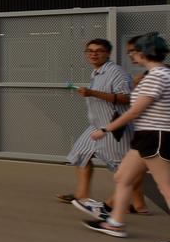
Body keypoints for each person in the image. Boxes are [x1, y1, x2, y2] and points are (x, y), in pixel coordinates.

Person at [82, 33, 170, 242]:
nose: (131, 55)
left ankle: (115, 222)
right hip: (146, 136)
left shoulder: (157, 76)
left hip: (156, 136)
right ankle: (115, 223)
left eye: (133, 51)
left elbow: (135, 110)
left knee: (166, 188)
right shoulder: (157, 74)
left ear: (143, 53)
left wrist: (106, 129)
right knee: (123, 177)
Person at [55, 40, 145, 213]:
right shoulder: (97, 72)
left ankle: (135, 205)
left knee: (125, 170)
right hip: (95, 126)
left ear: (108, 53)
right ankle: (82, 197)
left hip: (114, 127)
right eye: (89, 51)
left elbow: (126, 98)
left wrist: (92, 93)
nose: (93, 54)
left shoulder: (115, 72)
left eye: (99, 51)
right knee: (80, 154)